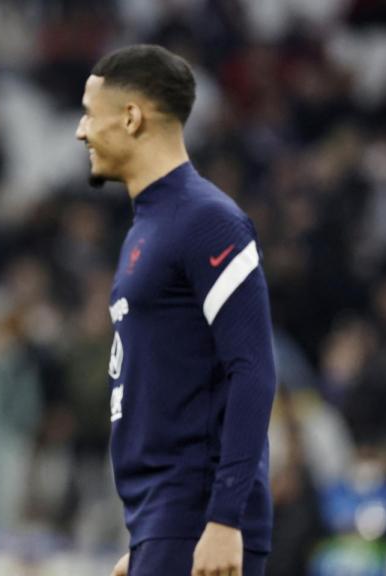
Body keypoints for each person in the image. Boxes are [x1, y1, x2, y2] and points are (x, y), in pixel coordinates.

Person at [75, 45, 276, 576]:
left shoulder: (208, 220)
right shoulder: (150, 226)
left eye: (89, 113)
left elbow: (252, 369)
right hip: (167, 520)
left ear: (132, 116)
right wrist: (149, 541)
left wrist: (224, 520)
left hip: (199, 513)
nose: (80, 130)